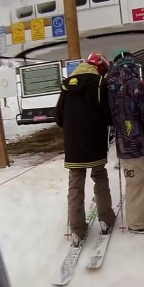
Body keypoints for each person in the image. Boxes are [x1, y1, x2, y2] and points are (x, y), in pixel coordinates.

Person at [55, 53, 115, 246]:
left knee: (75, 184)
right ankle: (106, 219)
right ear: (100, 68)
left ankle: (77, 230)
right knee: (99, 177)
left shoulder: (66, 85)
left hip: (73, 145)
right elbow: (108, 116)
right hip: (95, 142)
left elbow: (58, 117)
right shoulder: (99, 84)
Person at [107, 49, 144, 234]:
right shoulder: (135, 84)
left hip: (124, 143)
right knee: (139, 183)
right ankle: (137, 222)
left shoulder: (108, 86)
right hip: (139, 142)